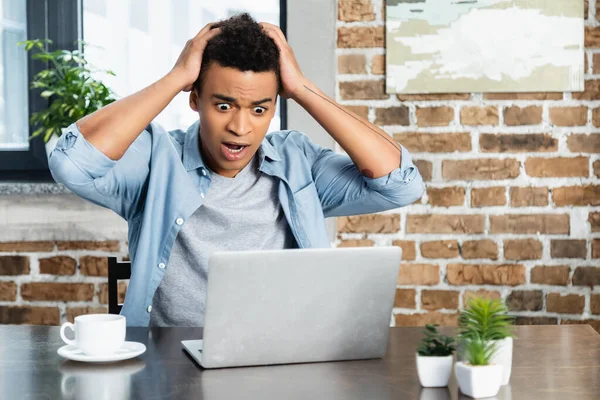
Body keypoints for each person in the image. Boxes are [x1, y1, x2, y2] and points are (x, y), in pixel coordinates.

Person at [49, 13, 424, 327]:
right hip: (167, 363)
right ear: (195, 99)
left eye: (259, 109)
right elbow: (72, 163)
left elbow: (401, 185)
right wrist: (176, 77)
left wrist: (304, 88)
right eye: (224, 105)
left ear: (274, 107)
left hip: (277, 356)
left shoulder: (296, 162)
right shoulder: (156, 160)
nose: (241, 128)